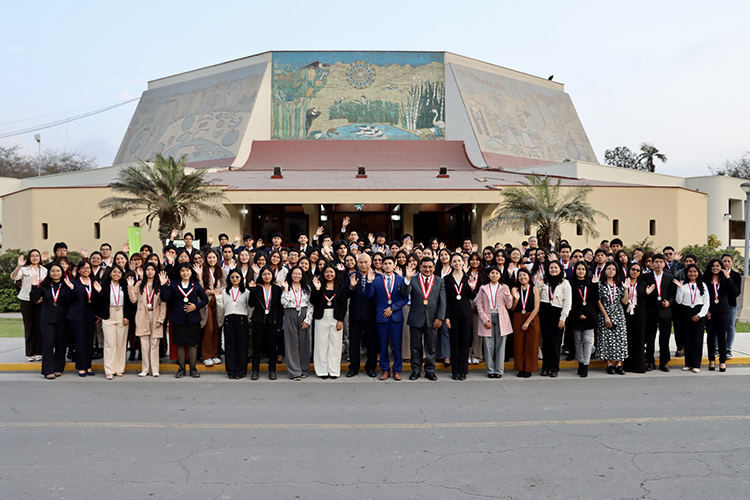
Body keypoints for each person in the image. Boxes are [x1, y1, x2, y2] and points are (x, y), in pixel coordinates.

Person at [159, 263, 209, 378]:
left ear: (191, 272)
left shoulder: (195, 284)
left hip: (192, 319)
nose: (185, 273)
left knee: (192, 345)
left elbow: (205, 300)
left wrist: (195, 306)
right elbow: (164, 298)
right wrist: (163, 285)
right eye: (182, 271)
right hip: (178, 319)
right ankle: (181, 368)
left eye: (187, 270)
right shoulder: (174, 285)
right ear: (179, 272)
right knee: (180, 345)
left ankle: (193, 368)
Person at [364, 255, 408, 380]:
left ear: (394, 265)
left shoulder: (401, 280)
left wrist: (393, 308)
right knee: (383, 345)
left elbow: (404, 298)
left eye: (390, 263)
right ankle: (385, 370)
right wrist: (369, 282)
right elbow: (368, 296)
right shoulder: (376, 280)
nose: (387, 265)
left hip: (396, 317)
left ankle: (397, 370)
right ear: (382, 266)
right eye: (385, 263)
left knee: (396, 345)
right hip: (381, 317)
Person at [402, 257, 446, 381]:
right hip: (416, 317)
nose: (427, 269)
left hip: (433, 319)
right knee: (415, 347)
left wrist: (440, 317)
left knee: (431, 347)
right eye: (425, 267)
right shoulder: (413, 279)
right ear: (420, 267)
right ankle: (415, 370)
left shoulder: (439, 281)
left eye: (430, 267)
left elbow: (443, 302)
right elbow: (404, 293)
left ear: (434, 268)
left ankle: (430, 370)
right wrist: (407, 279)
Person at [95, 265, 136, 380]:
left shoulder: (124, 286)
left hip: (122, 313)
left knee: (121, 343)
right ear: (110, 273)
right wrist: (99, 292)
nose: (116, 274)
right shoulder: (104, 285)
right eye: (114, 272)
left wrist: (127, 316)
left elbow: (129, 303)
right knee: (109, 343)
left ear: (122, 274)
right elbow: (99, 302)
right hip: (109, 315)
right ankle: (109, 369)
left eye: (119, 272)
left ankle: (119, 369)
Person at [29, 263, 70, 379]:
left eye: (58, 271)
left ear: (62, 272)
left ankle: (58, 368)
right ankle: (48, 370)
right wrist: (34, 286)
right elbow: (34, 299)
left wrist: (72, 289)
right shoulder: (44, 285)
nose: (55, 273)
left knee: (61, 345)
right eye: (53, 271)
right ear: (49, 273)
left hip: (62, 319)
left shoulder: (66, 285)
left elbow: (71, 300)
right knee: (48, 343)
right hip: (47, 319)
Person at [127, 262, 166, 377]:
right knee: (144, 345)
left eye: (152, 269)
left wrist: (161, 319)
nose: (150, 272)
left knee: (154, 344)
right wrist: (130, 286)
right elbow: (133, 300)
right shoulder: (139, 284)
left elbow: (163, 304)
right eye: (148, 269)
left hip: (155, 315)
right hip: (143, 316)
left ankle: (155, 369)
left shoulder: (159, 284)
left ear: (156, 271)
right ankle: (145, 369)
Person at [443, 253, 477, 380]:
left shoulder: (468, 278)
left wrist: (472, 288)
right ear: (451, 264)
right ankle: (455, 371)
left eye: (459, 261)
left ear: (463, 263)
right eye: (454, 261)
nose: (457, 263)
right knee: (454, 342)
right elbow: (445, 299)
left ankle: (463, 370)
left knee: (464, 342)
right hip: (452, 315)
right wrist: (446, 317)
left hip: (466, 314)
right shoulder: (447, 279)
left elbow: (471, 297)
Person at [475, 266, 513, 378]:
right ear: (488, 275)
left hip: (501, 317)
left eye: (497, 273)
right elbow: (479, 305)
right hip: (488, 316)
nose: (494, 275)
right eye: (492, 273)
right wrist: (484, 319)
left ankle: (499, 371)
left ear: (500, 275)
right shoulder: (483, 288)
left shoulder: (504, 287)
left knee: (501, 345)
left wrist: (508, 296)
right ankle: (490, 370)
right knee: (488, 345)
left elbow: (509, 306)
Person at [310, 264, 347, 379]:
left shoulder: (340, 287)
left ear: (335, 273)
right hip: (321, 317)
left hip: (335, 317)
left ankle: (334, 370)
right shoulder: (318, 285)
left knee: (335, 345)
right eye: (326, 272)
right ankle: (322, 370)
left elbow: (343, 305)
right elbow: (313, 301)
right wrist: (316, 289)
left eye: (331, 272)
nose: (329, 274)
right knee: (321, 345)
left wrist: (341, 320)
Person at [642, 253, 677, 372]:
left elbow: (673, 294)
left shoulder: (669, 276)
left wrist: (669, 303)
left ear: (664, 263)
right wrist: (646, 294)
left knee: (665, 338)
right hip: (651, 311)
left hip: (665, 311)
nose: (658, 264)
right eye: (656, 262)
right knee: (650, 337)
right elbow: (643, 294)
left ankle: (664, 362)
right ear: (652, 263)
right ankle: (650, 361)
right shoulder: (646, 277)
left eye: (660, 262)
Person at [11, 250, 47, 362]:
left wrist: (42, 297)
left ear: (40, 257)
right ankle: (30, 353)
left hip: (41, 301)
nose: (35, 258)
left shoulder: (44, 270)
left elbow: (46, 286)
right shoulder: (24, 269)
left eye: (37, 255)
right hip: (26, 300)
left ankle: (39, 352)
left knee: (39, 327)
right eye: (32, 256)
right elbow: (14, 277)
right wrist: (18, 266)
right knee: (29, 326)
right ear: (29, 257)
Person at [594, 262, 630, 375]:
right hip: (605, 314)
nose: (611, 271)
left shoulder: (619, 284)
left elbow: (624, 301)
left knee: (620, 339)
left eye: (613, 269)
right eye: (608, 269)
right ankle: (609, 363)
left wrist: (626, 289)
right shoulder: (600, 285)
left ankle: (618, 364)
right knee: (606, 339)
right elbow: (598, 301)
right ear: (604, 271)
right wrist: (606, 316)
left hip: (619, 315)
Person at [66, 260, 100, 377]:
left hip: (90, 315)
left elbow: (96, 300)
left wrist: (99, 292)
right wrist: (71, 290)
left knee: (89, 341)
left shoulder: (94, 282)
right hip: (77, 316)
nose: (86, 270)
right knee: (80, 340)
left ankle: (88, 366)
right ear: (79, 270)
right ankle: (81, 366)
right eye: (83, 268)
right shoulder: (73, 282)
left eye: (88, 268)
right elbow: (68, 300)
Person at [346, 253, 378, 378]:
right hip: (355, 315)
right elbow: (346, 294)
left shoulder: (377, 276)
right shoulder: (351, 276)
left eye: (366, 262)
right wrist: (351, 287)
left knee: (372, 343)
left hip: (372, 316)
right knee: (354, 343)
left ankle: (370, 367)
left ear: (370, 262)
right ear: (357, 263)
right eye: (361, 262)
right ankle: (354, 367)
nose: (363, 265)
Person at [248, 266, 283, 380]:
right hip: (258, 321)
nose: (266, 276)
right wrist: (252, 291)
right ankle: (255, 371)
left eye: (269, 274)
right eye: (264, 274)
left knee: (272, 347)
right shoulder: (257, 289)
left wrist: (279, 324)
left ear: (272, 275)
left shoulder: (277, 289)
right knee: (257, 347)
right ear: (260, 276)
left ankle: (272, 371)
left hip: (272, 321)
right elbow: (251, 304)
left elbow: (279, 308)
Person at [538, 261, 571, 377]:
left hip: (558, 312)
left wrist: (563, 318)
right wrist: (539, 285)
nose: (553, 270)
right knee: (545, 341)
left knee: (555, 342)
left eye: (556, 268)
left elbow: (567, 302)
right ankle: (545, 367)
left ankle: (554, 368)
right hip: (544, 312)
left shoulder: (565, 283)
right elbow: (537, 297)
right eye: (551, 268)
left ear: (560, 270)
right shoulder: (543, 282)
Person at [674, 264, 709, 373]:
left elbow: (706, 302)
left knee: (697, 340)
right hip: (685, 312)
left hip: (699, 312)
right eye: (690, 272)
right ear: (686, 273)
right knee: (687, 339)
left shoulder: (703, 285)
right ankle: (688, 363)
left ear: (698, 273)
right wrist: (680, 289)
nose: (692, 274)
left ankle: (696, 364)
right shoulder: (683, 285)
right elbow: (678, 301)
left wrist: (700, 315)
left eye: (694, 272)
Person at [281, 266, 314, 380]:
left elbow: (310, 305)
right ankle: (294, 372)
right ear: (291, 274)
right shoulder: (287, 287)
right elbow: (284, 303)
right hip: (290, 313)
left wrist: (307, 320)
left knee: (304, 343)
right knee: (291, 343)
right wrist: (285, 290)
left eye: (299, 274)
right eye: (294, 273)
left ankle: (304, 369)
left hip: (304, 313)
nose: (297, 276)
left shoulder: (306, 288)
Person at [567, 261, 599, 377]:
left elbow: (595, 300)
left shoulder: (591, 283)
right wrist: (577, 313)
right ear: (575, 270)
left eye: (583, 269)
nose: (581, 271)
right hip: (575, 315)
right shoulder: (571, 283)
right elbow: (570, 301)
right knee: (578, 341)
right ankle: (580, 363)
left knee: (588, 340)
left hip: (590, 316)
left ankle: (586, 364)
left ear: (586, 271)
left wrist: (595, 285)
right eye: (579, 269)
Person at [703, 259, 736, 372]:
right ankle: (711, 360)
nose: (715, 268)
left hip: (723, 311)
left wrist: (728, 277)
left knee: (722, 336)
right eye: (713, 266)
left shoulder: (725, 280)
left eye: (717, 266)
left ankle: (722, 361)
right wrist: (705, 310)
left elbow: (735, 292)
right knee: (710, 336)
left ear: (721, 267)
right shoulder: (705, 280)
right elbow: (701, 295)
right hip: (710, 311)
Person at [221, 269, 251, 379]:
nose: (235, 279)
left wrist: (249, 319)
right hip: (229, 319)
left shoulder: (246, 292)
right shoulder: (225, 291)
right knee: (230, 347)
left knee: (242, 347)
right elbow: (223, 306)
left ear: (241, 278)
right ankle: (231, 371)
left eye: (237, 277)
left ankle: (241, 370)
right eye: (232, 277)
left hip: (242, 319)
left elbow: (249, 307)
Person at [510, 268, 540, 378]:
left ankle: (529, 368)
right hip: (518, 316)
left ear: (529, 276)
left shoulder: (534, 289)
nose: (522, 277)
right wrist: (516, 298)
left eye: (524, 275)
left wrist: (527, 322)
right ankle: (520, 368)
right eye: (520, 276)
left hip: (532, 317)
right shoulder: (515, 289)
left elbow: (537, 307)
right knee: (518, 344)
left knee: (531, 344)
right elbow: (512, 308)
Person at [200, 250, 224, 367]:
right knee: (208, 328)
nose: (212, 260)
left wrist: (217, 291)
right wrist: (209, 292)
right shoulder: (202, 271)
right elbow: (199, 287)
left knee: (216, 328)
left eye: (214, 257)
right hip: (206, 301)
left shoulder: (222, 271)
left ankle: (215, 354)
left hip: (218, 301)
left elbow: (225, 286)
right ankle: (206, 355)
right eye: (209, 257)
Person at [622, 262, 647, 374]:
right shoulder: (623, 282)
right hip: (627, 312)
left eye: (637, 270)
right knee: (628, 338)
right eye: (633, 269)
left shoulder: (643, 284)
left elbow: (646, 301)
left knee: (639, 339)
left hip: (639, 313)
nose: (635, 272)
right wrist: (626, 289)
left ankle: (639, 366)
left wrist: (647, 294)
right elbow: (624, 301)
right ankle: (628, 365)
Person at [720, 254, 741, 359]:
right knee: (718, 327)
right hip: (719, 305)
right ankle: (716, 348)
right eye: (724, 261)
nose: (726, 263)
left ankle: (728, 349)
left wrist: (728, 278)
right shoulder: (717, 274)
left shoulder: (736, 276)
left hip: (731, 305)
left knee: (730, 327)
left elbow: (736, 292)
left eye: (728, 261)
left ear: (732, 263)